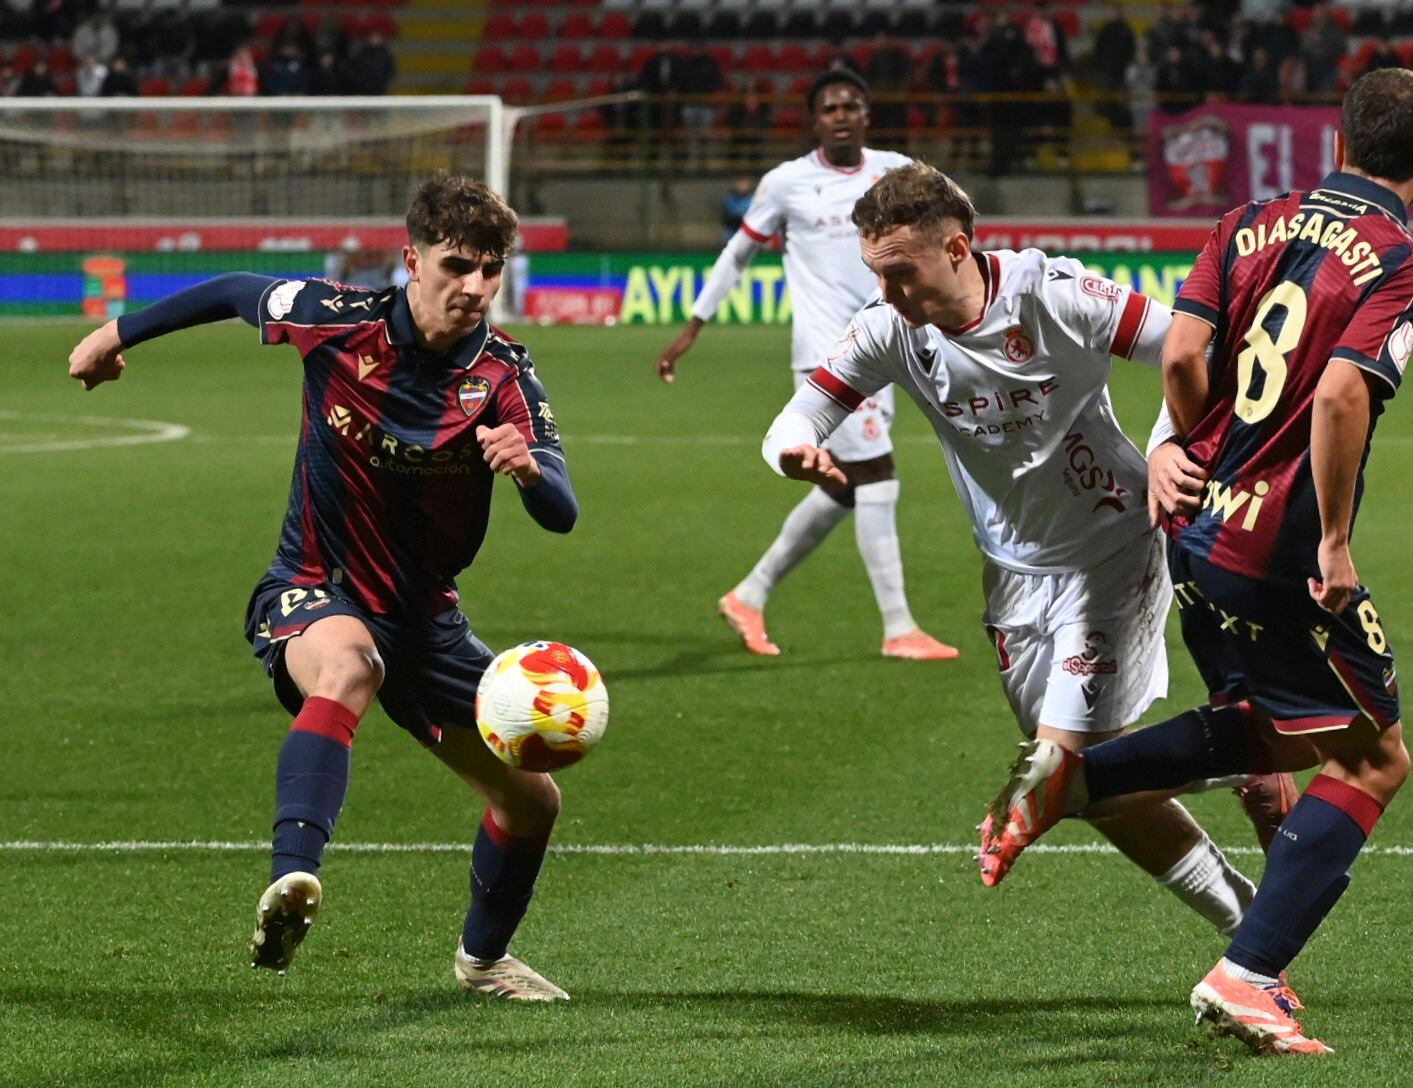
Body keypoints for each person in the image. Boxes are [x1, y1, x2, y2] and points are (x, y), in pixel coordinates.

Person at [979, 69, 1413, 1055]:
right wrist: (1327, 541)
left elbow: (1183, 355)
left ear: (1336, 141)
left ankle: (1065, 780)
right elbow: (1334, 398)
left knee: (1267, 731)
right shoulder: (1400, 259)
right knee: (1372, 754)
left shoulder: (1247, 222)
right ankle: (1247, 973)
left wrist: (1187, 450)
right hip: (1278, 545)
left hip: (1194, 527)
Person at [761, 160, 1300, 958]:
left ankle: (1250, 941)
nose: (889, 295)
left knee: (1058, 764)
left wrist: (1165, 447)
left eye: (901, 274)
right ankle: (1241, 780)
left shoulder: (1055, 295)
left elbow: (1197, 350)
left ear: (957, 247)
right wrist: (795, 452)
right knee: (1094, 785)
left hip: (1114, 547)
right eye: (876, 277)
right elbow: (793, 418)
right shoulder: (889, 329)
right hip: (1012, 571)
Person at [65, 174, 581, 1002]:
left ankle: (483, 963)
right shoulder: (334, 320)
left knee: (532, 803)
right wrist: (115, 332)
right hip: (317, 585)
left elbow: (562, 512)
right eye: (458, 266)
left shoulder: (506, 378)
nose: (477, 288)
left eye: (492, 271)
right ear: (410, 260)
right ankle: (292, 882)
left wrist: (528, 472)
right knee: (348, 670)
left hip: (426, 620)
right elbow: (237, 290)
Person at [654, 71, 958, 662]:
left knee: (845, 488)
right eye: (829, 107)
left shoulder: (896, 174)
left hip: (887, 343)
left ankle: (750, 593)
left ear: (867, 115)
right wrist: (693, 325)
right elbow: (737, 253)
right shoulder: (787, 183)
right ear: (814, 120)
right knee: (878, 477)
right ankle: (899, 629)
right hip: (829, 356)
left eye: (851, 105)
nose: (841, 114)